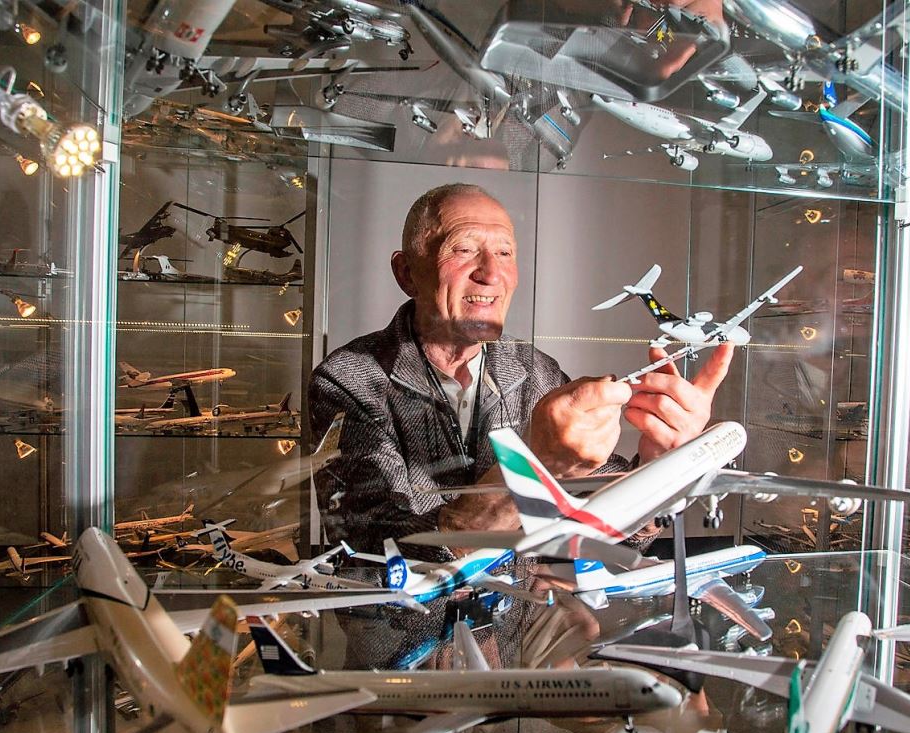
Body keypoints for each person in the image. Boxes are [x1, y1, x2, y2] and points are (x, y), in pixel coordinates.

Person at [308, 183, 733, 556]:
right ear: (406, 273)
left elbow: (613, 532)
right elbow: (371, 549)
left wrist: (655, 468)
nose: (491, 273)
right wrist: (534, 463)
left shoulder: (532, 369)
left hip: (512, 639)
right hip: (397, 638)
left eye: (505, 253)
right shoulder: (347, 380)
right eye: (463, 249)